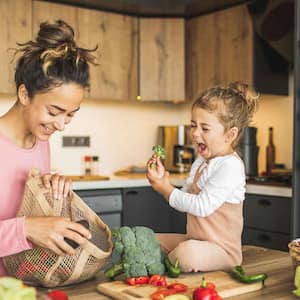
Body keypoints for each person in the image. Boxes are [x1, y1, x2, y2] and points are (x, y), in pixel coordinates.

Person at [0, 20, 97, 275]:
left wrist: (50, 189)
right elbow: (25, 227)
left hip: (25, 285)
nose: (62, 124)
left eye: (70, 115)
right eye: (54, 111)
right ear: (24, 94)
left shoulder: (40, 142)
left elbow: (25, 209)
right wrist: (27, 228)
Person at [147, 82, 259, 272]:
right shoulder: (201, 161)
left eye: (205, 128)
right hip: (195, 241)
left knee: (186, 254)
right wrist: (165, 182)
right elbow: (185, 196)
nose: (195, 133)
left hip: (222, 251)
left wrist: (166, 190)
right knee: (149, 240)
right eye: (193, 125)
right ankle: (165, 262)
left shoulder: (230, 165)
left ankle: (162, 266)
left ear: (230, 135)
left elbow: (201, 207)